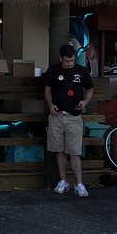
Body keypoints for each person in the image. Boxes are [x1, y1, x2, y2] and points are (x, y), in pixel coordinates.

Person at [43, 44, 94, 198]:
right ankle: (63, 180)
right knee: (59, 149)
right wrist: (50, 104)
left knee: (74, 151)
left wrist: (85, 102)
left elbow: (90, 88)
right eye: (66, 61)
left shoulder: (82, 71)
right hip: (57, 114)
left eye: (72, 60)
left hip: (74, 115)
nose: (70, 63)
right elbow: (47, 90)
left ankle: (79, 183)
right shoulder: (53, 71)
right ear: (61, 59)